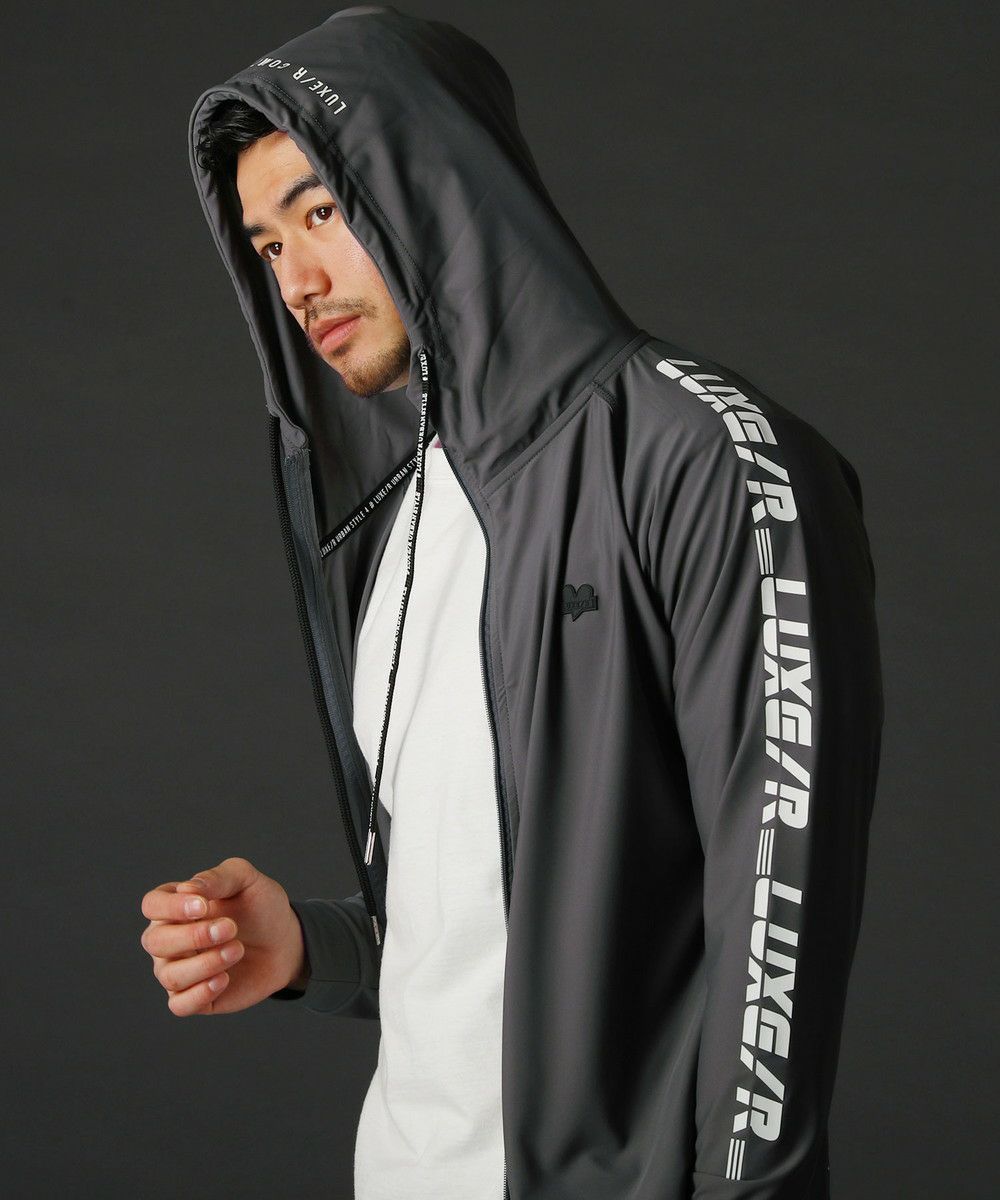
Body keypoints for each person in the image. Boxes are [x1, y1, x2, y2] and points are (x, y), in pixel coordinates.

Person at [140, 7, 885, 1198]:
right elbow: (492, 930)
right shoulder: (402, 517)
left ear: (436, 185)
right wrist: (308, 948)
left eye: (321, 214)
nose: (298, 283)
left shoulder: (705, 460)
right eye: (267, 246)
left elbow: (774, 937)